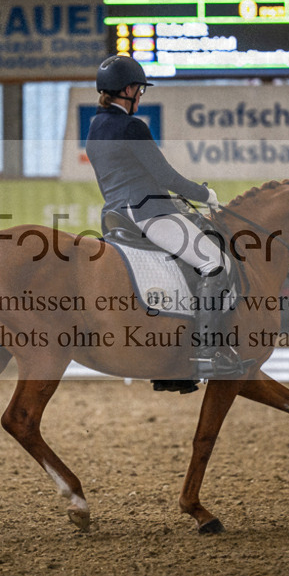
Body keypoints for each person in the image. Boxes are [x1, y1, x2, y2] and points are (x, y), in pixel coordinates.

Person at [85, 54, 248, 390]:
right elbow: (165, 176)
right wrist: (204, 194)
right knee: (215, 263)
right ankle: (207, 354)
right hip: (149, 214)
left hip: (116, 216)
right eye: (139, 90)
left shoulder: (96, 126)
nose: (141, 95)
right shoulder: (132, 127)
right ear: (128, 90)